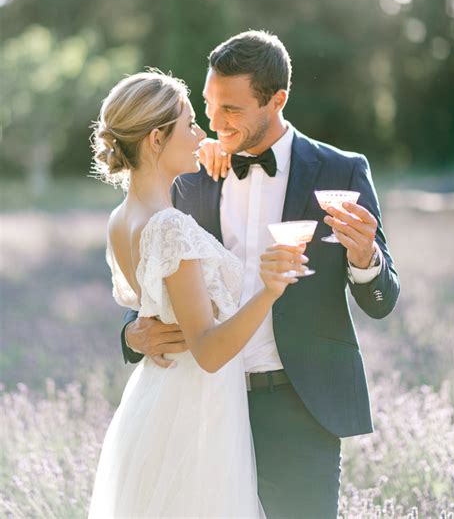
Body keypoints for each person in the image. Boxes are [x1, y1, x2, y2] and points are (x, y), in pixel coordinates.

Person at [123, 31, 400, 519]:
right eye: (209, 105)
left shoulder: (342, 171)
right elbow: (157, 279)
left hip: (301, 405)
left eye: (231, 109)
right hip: (204, 404)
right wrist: (131, 334)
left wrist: (364, 260)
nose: (214, 122)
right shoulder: (188, 173)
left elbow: (382, 299)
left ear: (277, 100)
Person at [88, 70, 310, 518]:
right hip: (195, 414)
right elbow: (207, 350)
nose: (201, 133)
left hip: (156, 401)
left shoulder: (121, 218)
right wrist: (269, 291)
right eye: (190, 124)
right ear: (155, 139)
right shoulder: (170, 226)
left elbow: (158, 316)